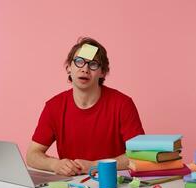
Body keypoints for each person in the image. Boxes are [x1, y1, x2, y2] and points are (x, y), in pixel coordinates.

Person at [26, 37, 144, 176]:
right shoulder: (54, 106)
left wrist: (96, 166)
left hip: (113, 185)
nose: (85, 69)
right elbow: (32, 155)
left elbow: (140, 154)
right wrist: (55, 164)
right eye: (79, 62)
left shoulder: (122, 104)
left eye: (93, 64)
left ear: (102, 72)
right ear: (69, 67)